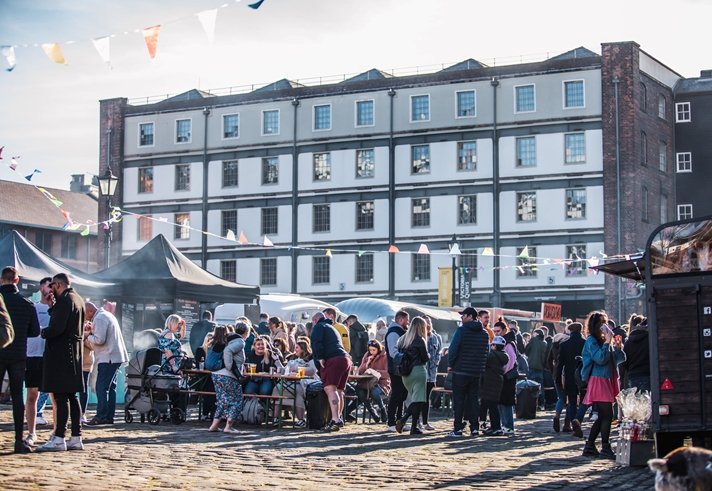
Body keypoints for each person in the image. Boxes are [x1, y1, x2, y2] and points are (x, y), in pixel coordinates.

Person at [37, 273, 85, 452]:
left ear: (57, 284)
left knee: (61, 396)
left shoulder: (65, 300)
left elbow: (57, 328)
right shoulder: (77, 299)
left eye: (52, 287)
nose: (50, 291)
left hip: (62, 354)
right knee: (72, 396)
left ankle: (59, 438)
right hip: (74, 354)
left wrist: (42, 332)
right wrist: (51, 307)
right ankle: (76, 436)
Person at [0, 266, 40, 453]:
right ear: (17, 281)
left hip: (0, 352)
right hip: (18, 355)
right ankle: (18, 440)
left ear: (1, 280)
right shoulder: (27, 304)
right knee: (17, 396)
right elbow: (34, 332)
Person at [581, 311, 625, 459]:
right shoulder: (591, 340)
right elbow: (600, 358)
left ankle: (590, 445)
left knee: (603, 416)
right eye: (601, 323)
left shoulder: (604, 341)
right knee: (607, 415)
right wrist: (607, 343)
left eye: (605, 322)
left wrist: (618, 347)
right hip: (599, 379)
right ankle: (605, 446)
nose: (605, 326)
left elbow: (618, 359)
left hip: (607, 378)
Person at [85, 301, 129, 426]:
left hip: (108, 357)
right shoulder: (106, 315)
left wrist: (87, 335)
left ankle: (101, 416)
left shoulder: (99, 318)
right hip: (115, 356)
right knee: (111, 388)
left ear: (90, 311)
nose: (85, 318)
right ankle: (109, 416)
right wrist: (92, 330)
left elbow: (100, 339)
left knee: (101, 387)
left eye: (85, 315)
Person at [447, 307, 489, 437]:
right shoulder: (484, 333)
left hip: (461, 370)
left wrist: (451, 364)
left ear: (470, 316)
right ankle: (474, 428)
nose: (461, 317)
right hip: (476, 371)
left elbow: (453, 349)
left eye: (463, 315)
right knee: (474, 400)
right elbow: (486, 352)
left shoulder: (461, 331)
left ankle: (458, 428)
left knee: (459, 401)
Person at [310, 311, 351, 431]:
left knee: (330, 389)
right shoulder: (331, 328)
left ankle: (335, 419)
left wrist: (320, 357)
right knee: (339, 390)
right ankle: (339, 418)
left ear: (315, 321)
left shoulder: (318, 327)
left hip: (332, 359)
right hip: (345, 358)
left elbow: (317, 342)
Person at [25, 277, 52, 447]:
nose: (50, 289)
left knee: (55, 396)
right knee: (32, 395)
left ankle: (57, 433)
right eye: (48, 286)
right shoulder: (33, 307)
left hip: (50, 356)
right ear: (41, 287)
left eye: (53, 286)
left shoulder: (56, 309)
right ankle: (31, 432)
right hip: (32, 355)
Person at [208, 323, 248, 434]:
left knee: (222, 400)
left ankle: (214, 425)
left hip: (216, 374)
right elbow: (227, 351)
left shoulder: (226, 339)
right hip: (228, 375)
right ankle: (228, 426)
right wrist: (230, 366)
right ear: (246, 333)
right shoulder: (239, 341)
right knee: (236, 399)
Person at [271, 337, 318, 428]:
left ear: (303, 349)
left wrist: (297, 369)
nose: (295, 349)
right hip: (289, 381)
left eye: (297, 347)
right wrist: (277, 361)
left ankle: (300, 420)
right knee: (276, 389)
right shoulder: (291, 358)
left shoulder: (311, 358)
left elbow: (312, 370)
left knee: (297, 391)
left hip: (302, 381)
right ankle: (275, 418)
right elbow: (285, 371)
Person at [394, 317, 429, 435]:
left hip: (406, 374)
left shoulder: (402, 339)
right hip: (418, 370)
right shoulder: (420, 340)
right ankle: (403, 419)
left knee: (416, 400)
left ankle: (414, 427)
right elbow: (425, 358)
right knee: (418, 401)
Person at [556, 322, 586, 437]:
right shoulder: (585, 343)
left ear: (570, 331)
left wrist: (558, 380)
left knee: (572, 402)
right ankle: (578, 421)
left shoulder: (564, 345)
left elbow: (560, 364)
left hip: (569, 376)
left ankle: (574, 426)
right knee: (584, 400)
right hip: (583, 375)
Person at [385, 310, 410, 431]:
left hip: (400, 368)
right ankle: (391, 422)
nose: (408, 322)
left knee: (401, 396)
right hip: (396, 369)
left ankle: (399, 421)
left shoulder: (400, 332)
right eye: (406, 320)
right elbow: (393, 352)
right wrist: (405, 358)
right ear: (401, 320)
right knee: (396, 395)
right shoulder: (394, 333)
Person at [481, 336, 509, 436]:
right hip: (497, 381)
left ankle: (496, 427)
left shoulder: (492, 356)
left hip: (491, 382)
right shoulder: (503, 355)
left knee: (492, 406)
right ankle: (494, 426)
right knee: (493, 405)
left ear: (494, 346)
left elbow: (484, 362)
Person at [493, 319, 517, 435]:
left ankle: (508, 426)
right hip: (502, 377)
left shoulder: (508, 343)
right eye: (495, 331)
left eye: (498, 331)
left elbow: (510, 362)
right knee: (500, 402)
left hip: (507, 377)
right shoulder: (501, 342)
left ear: (504, 330)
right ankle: (504, 425)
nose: (496, 333)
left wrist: (501, 371)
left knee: (506, 403)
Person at [356, 339, 390, 423]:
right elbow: (359, 371)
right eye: (370, 350)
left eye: (374, 350)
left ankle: (382, 409)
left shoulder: (385, 356)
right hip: (367, 382)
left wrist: (376, 372)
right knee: (360, 391)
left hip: (381, 383)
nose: (372, 352)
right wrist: (366, 364)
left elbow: (388, 373)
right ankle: (371, 410)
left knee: (374, 392)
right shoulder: (367, 355)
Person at [548, 325, 570, 433]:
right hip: (567, 373)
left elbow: (548, 360)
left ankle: (557, 415)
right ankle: (567, 423)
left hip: (557, 373)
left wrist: (553, 372)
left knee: (560, 398)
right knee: (570, 399)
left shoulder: (553, 346)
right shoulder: (567, 345)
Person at [621, 315, 650, 393]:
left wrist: (630, 369)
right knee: (646, 401)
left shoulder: (628, 342)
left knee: (636, 402)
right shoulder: (648, 340)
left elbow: (624, 360)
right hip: (646, 373)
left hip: (633, 375)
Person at [423, 316, 442, 430]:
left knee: (427, 398)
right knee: (420, 398)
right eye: (426, 323)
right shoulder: (419, 338)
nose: (428, 325)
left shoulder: (435, 337)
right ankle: (416, 421)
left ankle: (425, 422)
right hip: (421, 372)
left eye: (429, 323)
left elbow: (438, 352)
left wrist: (436, 362)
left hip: (431, 374)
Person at [525, 328, 548, 411]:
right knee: (540, 387)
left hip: (531, 365)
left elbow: (526, 350)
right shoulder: (545, 343)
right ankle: (541, 405)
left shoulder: (534, 340)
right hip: (540, 368)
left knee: (530, 386)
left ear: (537, 334)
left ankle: (530, 404)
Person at [80, 318, 94, 425]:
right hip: (72, 362)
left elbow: (93, 346)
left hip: (85, 363)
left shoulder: (90, 327)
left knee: (83, 388)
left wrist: (85, 337)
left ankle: (82, 413)